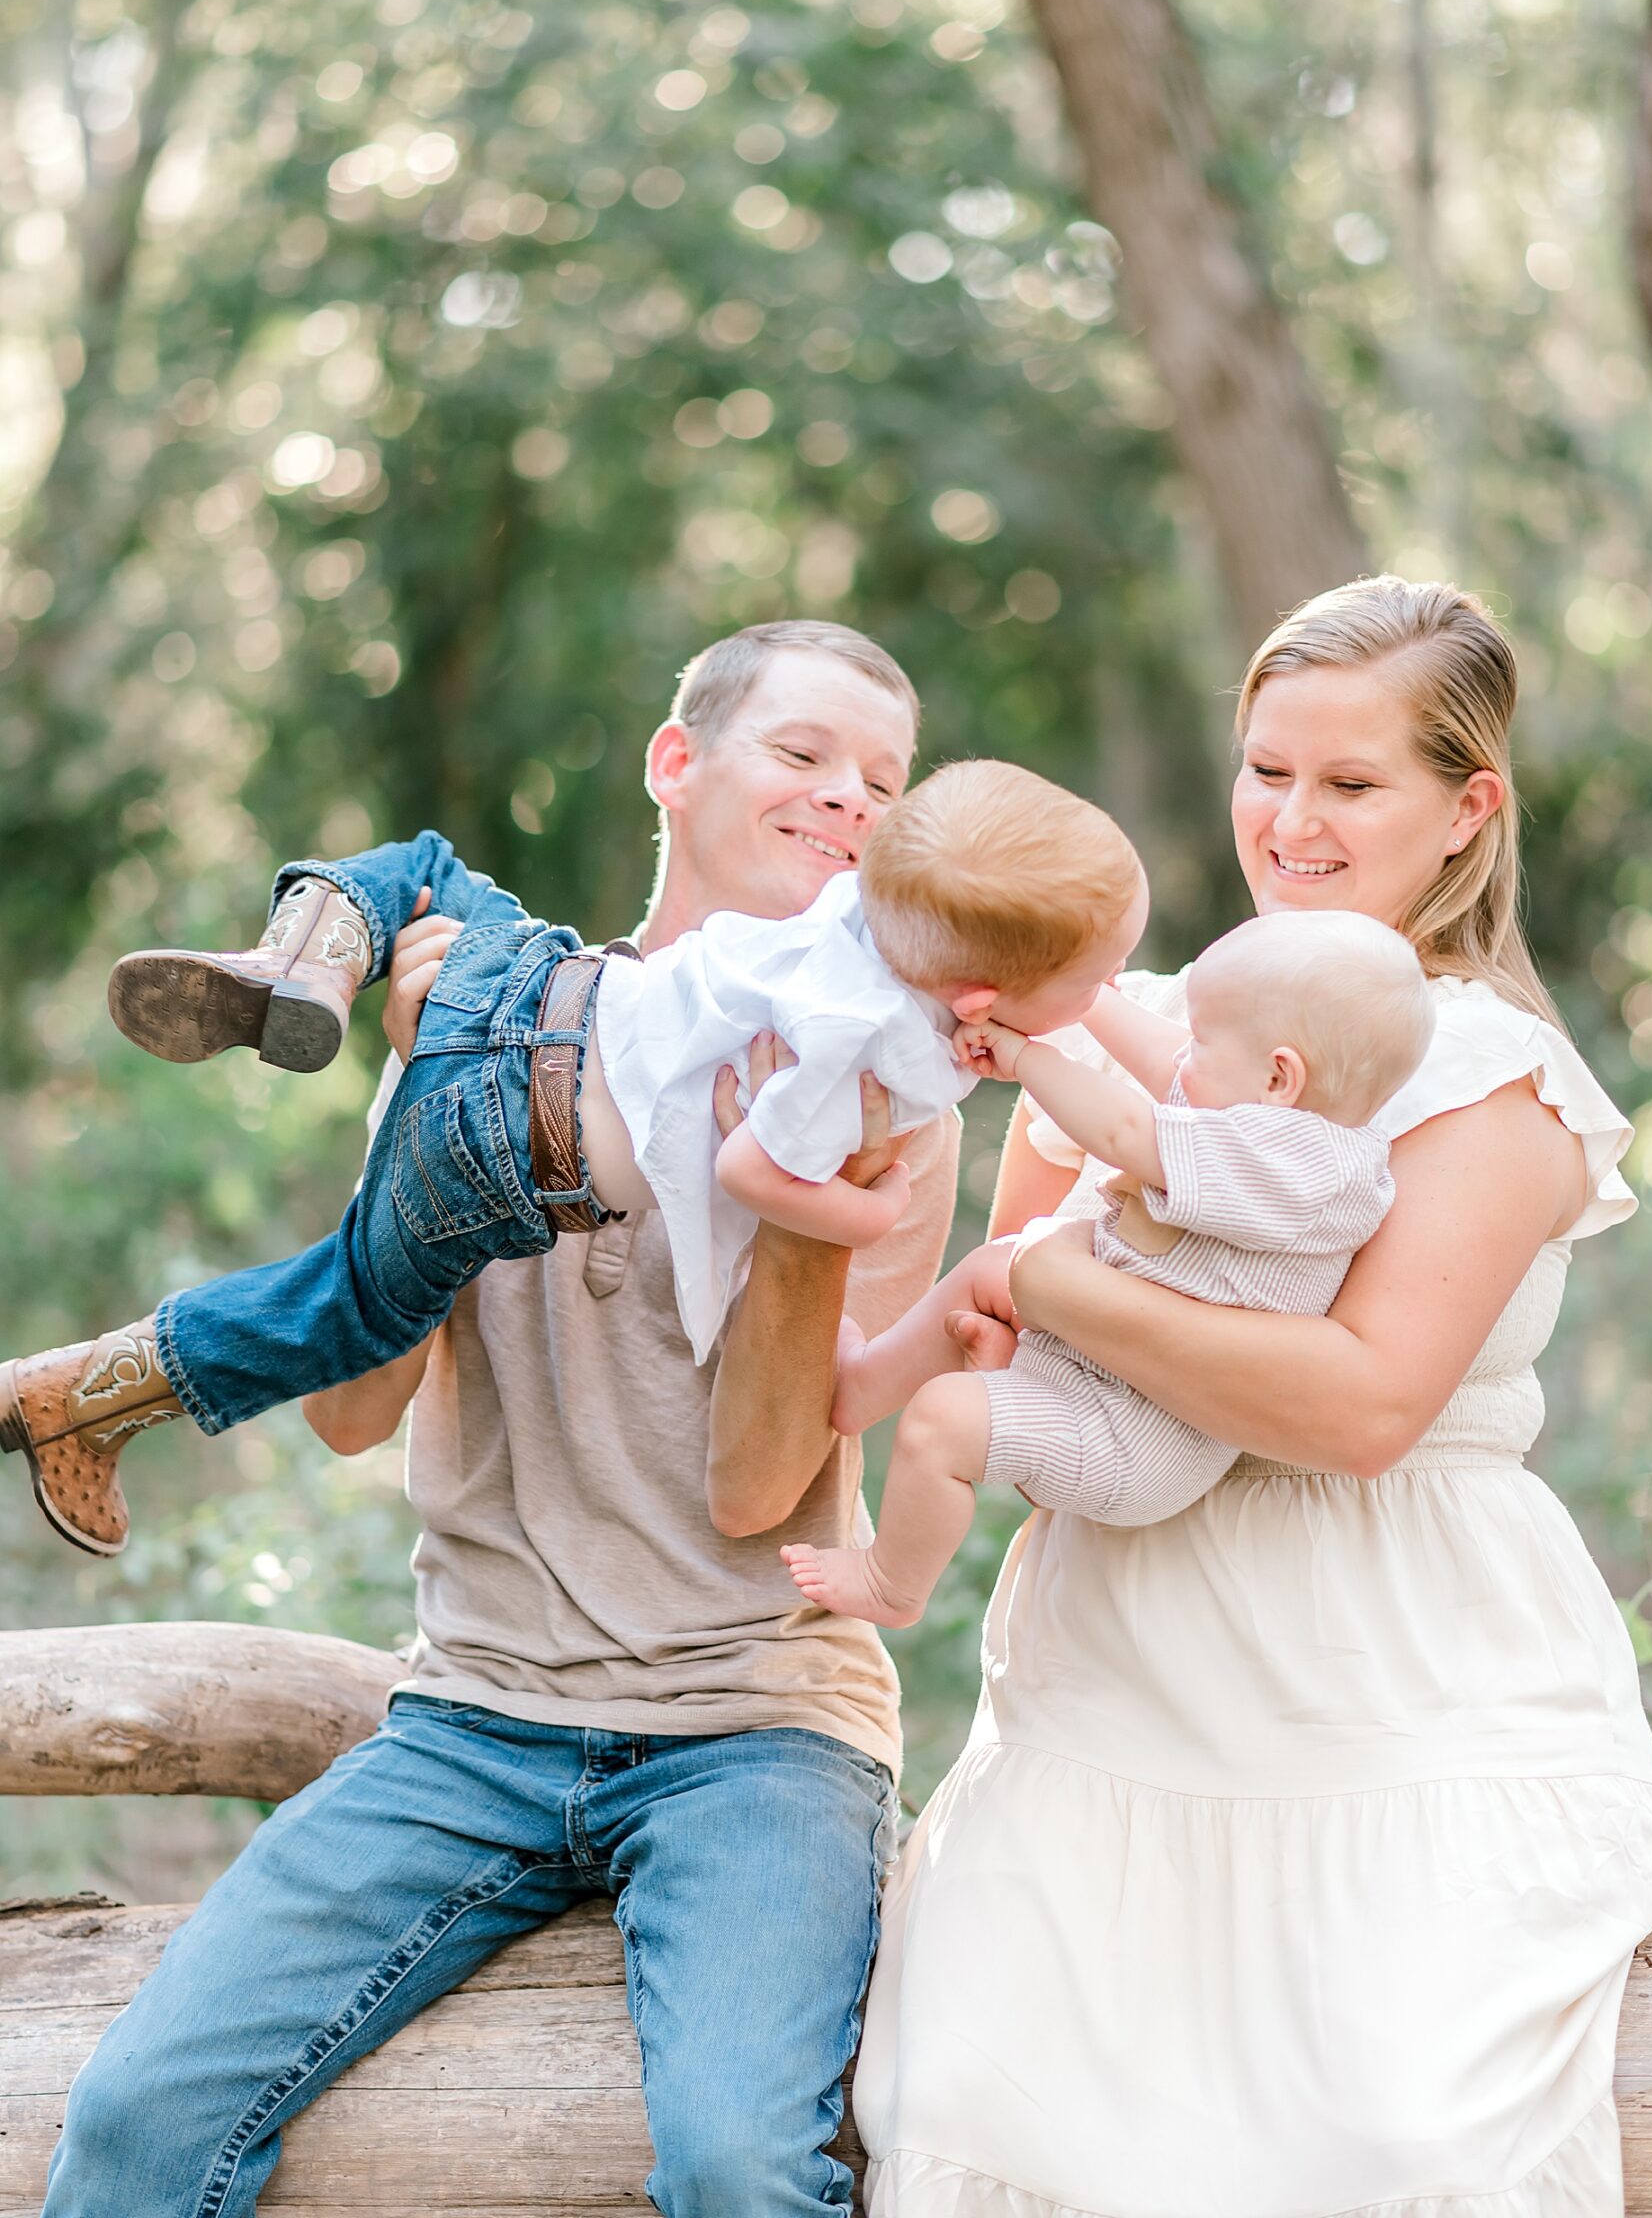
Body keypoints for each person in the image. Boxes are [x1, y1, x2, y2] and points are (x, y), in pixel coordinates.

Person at [38, 619, 964, 2218]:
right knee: (135, 2122)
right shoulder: (486, 1020)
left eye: (883, 784)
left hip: (754, 1728)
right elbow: (345, 1418)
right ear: (678, 765)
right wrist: (423, 1105)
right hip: (475, 1715)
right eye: (803, 755)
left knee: (746, 2164)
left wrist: (796, 1210)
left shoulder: (887, 1090)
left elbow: (763, 1488)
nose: (846, 802)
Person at [854, 577, 1652, 2218]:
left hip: (1388, 1676)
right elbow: (1016, 1323)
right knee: (991, 2118)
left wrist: (1048, 1281)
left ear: (1466, 809)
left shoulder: (1490, 1073)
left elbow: (1353, 1404)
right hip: (1118, 1682)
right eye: (1265, 770)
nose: (1288, 820)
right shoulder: (1145, 1035)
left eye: (1347, 783)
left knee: (1390, 2134)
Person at [2, 763, 1142, 1558]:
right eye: (1089, 985)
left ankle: (310, 947)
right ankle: (88, 1396)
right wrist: (861, 1207)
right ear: (981, 1000)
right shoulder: (865, 1066)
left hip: (541, 989)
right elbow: (753, 1172)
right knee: (344, 1306)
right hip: (503, 1154)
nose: (850, 795)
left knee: (434, 871)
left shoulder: (856, 912)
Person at [782, 911, 1432, 1628]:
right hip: (1096, 1365)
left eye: (1205, 1042)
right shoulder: (1268, 1113)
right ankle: (860, 1388)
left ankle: (891, 1584)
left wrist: (1027, 1059)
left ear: (1280, 1075)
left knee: (943, 1421)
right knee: (993, 1266)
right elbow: (1164, 1061)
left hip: (1127, 1435)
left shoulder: (1299, 1166)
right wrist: (1086, 997)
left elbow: (1126, 1128)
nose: (1184, 1058)